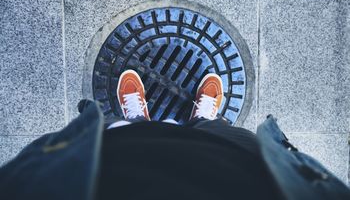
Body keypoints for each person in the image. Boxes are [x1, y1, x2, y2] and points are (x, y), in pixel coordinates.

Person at [0, 70, 349, 200]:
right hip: (252, 178)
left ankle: (137, 121)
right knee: (221, 135)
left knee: (120, 139)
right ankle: (203, 119)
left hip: (100, 180)